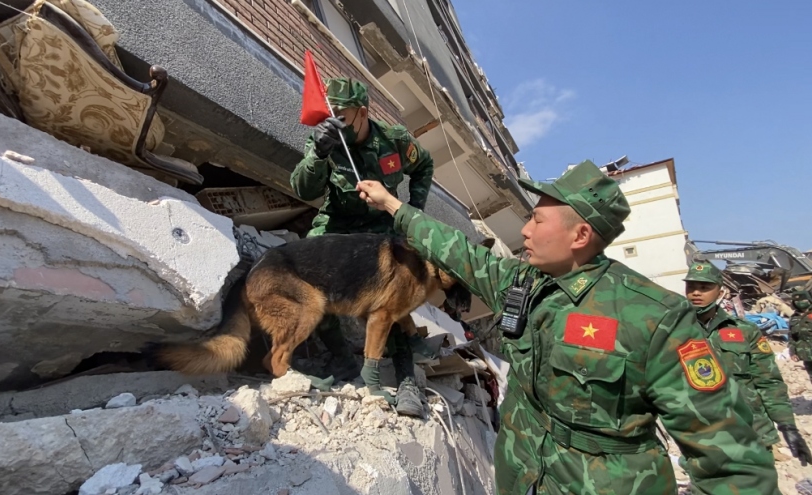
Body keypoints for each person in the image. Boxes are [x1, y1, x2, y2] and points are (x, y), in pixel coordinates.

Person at [355, 160, 778, 494]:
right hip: (521, 477)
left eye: (538, 220)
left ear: (580, 235)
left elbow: (730, 459)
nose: (525, 229)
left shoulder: (655, 318)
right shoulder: (522, 283)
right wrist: (393, 205)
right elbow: (460, 253)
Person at [289, 76, 435, 416]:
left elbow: (424, 165)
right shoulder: (326, 139)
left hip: (382, 222)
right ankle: (341, 358)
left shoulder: (393, 140)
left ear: (363, 113)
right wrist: (318, 153)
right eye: (331, 113)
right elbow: (302, 189)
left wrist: (413, 210)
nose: (335, 121)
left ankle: (405, 378)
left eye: (342, 114)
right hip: (338, 223)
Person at [684, 261, 810, 464]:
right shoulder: (675, 332)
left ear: (720, 291)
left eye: (705, 287)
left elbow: (768, 382)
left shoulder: (745, 331)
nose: (696, 293)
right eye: (691, 287)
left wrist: (788, 426)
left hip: (751, 430)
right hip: (702, 434)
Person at [789, 286, 812, 382]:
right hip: (807, 356)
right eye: (797, 300)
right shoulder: (794, 317)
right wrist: (793, 352)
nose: (800, 302)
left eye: (803, 299)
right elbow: (792, 337)